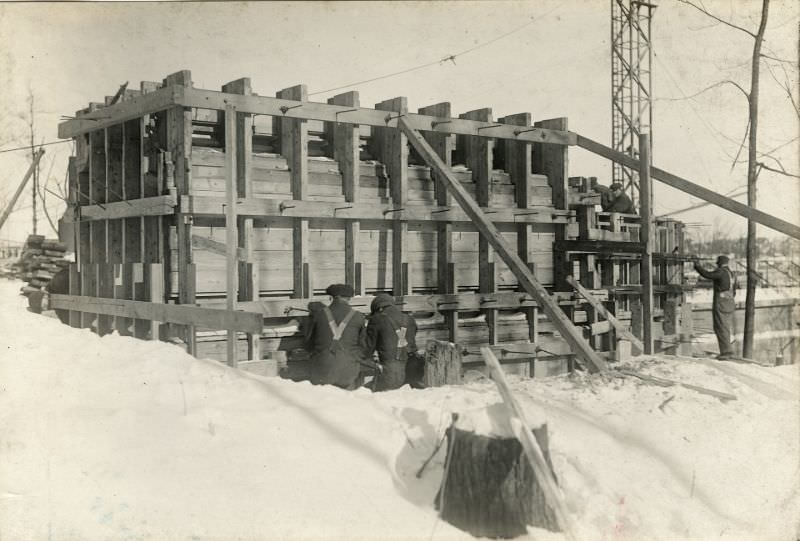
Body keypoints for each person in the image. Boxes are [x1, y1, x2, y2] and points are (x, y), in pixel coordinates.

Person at [304, 283, 366, 389]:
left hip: (322, 371)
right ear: (349, 298)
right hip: (348, 373)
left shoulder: (318, 315)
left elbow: (309, 345)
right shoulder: (359, 317)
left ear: (331, 298)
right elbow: (363, 346)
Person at [363, 293, 422, 391]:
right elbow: (409, 343)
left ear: (379, 309)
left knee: (362, 394)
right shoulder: (409, 319)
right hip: (413, 375)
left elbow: (367, 350)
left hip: (390, 376)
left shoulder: (376, 319)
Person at [693, 255, 738, 359]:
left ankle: (726, 352)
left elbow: (707, 275)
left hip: (721, 302)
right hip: (730, 302)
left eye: (717, 263)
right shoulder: (732, 274)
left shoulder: (721, 272)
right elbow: (734, 290)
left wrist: (697, 265)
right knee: (725, 327)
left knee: (720, 327)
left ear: (720, 263)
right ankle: (727, 350)